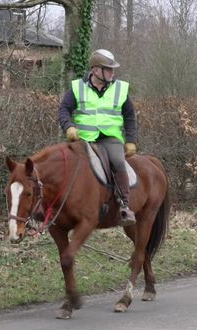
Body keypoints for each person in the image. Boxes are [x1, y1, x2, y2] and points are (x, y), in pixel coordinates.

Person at [58, 49, 137, 226]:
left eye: (112, 69)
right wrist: (68, 127)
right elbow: (64, 109)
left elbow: (130, 116)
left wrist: (131, 140)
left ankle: (125, 206)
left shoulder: (120, 88)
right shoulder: (78, 87)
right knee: (62, 163)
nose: (112, 73)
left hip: (110, 138)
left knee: (117, 161)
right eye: (108, 69)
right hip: (83, 138)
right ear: (95, 70)